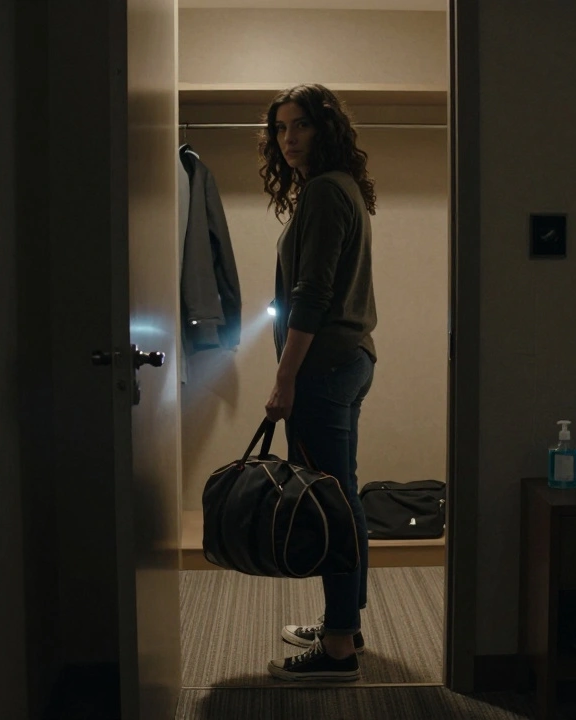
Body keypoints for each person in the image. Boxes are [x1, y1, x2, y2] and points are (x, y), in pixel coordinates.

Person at [259, 84, 378, 682]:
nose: (288, 139)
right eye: (280, 128)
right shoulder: (335, 189)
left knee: (330, 502)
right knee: (343, 495)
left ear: (325, 128)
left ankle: (337, 649)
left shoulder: (327, 193)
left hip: (324, 370)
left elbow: (311, 296)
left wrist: (285, 380)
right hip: (345, 362)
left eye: (300, 125)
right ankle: (344, 623)